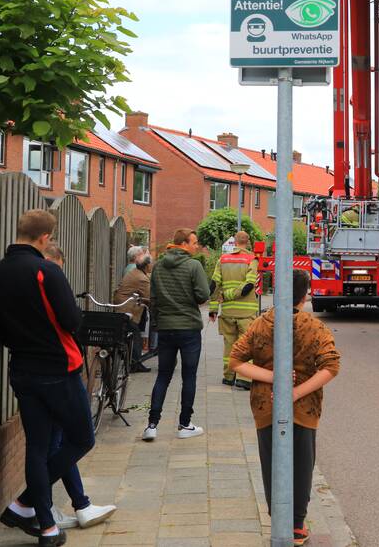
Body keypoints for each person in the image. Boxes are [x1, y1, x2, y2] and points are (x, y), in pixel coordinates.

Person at [0, 209, 96, 545]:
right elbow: (70, 321)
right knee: (82, 439)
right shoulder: (46, 270)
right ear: (45, 238)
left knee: (37, 446)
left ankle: (47, 529)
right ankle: (24, 503)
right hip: (59, 371)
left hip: (22, 370)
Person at [229, 268, 341, 547]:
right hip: (305, 408)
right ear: (304, 296)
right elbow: (331, 366)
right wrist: (294, 392)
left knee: (271, 462)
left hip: (265, 405)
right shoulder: (314, 327)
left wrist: (272, 377)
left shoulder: (261, 323)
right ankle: (297, 526)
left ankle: (277, 519)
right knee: (303, 464)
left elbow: (235, 361)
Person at [42, 244, 118, 530]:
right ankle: (35, 504)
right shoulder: (47, 285)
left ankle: (78, 504)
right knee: (66, 441)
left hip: (41, 373)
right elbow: (71, 322)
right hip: (57, 373)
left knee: (58, 442)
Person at [143, 228, 211, 442]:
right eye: (194, 242)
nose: (196, 246)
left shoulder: (159, 266)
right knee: (189, 376)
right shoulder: (194, 265)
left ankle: (152, 425)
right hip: (189, 328)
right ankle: (184, 424)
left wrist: (157, 322)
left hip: (165, 328)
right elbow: (202, 296)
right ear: (183, 243)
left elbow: (153, 298)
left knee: (163, 375)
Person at [210, 231, 259, 390]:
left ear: (234, 242)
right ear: (248, 242)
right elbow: (249, 286)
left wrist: (213, 309)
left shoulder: (222, 259)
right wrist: (230, 295)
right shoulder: (252, 259)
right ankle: (244, 379)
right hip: (246, 314)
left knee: (229, 345)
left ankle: (228, 377)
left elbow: (214, 285)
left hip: (227, 312)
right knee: (245, 346)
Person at [113, 249, 153, 374]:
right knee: (136, 336)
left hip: (122, 307)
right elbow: (148, 296)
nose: (152, 266)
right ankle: (135, 364)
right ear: (146, 265)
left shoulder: (134, 272)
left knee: (131, 335)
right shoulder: (142, 278)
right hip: (128, 309)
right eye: (151, 263)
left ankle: (132, 361)